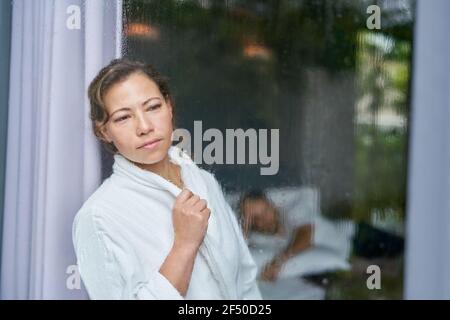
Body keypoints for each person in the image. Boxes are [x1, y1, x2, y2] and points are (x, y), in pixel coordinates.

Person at [72, 58, 261, 300]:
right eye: (123, 117)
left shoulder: (203, 180)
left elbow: (245, 280)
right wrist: (184, 245)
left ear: (169, 106)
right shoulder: (98, 217)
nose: (144, 126)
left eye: (152, 107)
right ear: (104, 131)